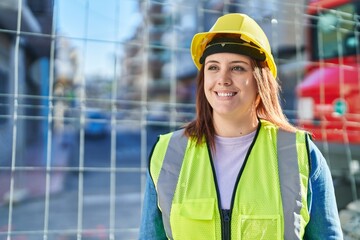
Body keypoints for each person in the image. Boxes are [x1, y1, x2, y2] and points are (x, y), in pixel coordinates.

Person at [139, 13, 343, 239]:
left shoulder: (299, 154)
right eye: (213, 67)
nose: (223, 79)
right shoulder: (168, 153)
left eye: (237, 68)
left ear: (260, 79)